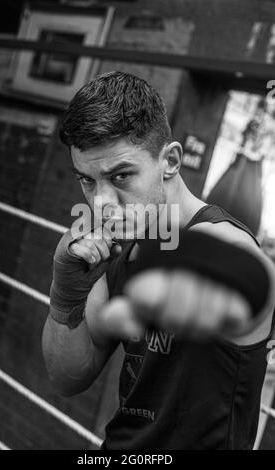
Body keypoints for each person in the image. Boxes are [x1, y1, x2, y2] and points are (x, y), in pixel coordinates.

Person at [42, 71, 275, 450]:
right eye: (87, 181)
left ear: (171, 161)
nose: (101, 203)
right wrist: (64, 298)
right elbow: (68, 378)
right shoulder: (126, 250)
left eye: (121, 176)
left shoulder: (229, 250)